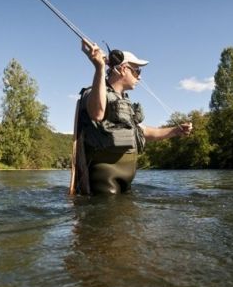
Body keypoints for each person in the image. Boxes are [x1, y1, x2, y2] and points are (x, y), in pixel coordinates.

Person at [70, 39, 192, 195]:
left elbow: (144, 132)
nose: (139, 77)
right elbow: (97, 113)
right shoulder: (93, 93)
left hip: (126, 183)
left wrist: (176, 131)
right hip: (104, 183)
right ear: (122, 69)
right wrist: (99, 68)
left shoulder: (125, 103)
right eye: (137, 71)